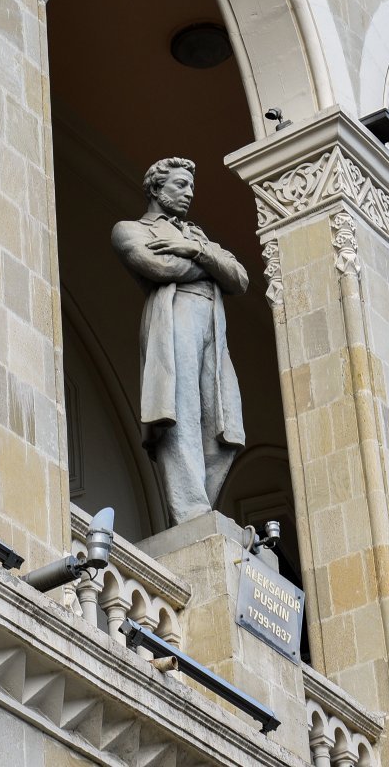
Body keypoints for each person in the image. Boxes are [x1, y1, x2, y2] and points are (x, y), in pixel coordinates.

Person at [111, 158, 248, 525]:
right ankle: (191, 511)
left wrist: (197, 251)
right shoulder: (130, 229)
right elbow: (161, 268)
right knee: (180, 408)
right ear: (156, 189)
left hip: (212, 326)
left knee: (221, 419)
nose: (189, 194)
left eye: (191, 187)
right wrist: (210, 264)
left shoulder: (196, 237)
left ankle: (202, 503)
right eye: (180, 186)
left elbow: (239, 277)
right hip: (175, 317)